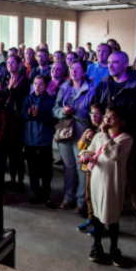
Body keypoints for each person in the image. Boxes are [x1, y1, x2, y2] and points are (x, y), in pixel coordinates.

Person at [92, 51, 136, 240]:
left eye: (115, 62)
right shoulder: (104, 84)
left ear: (125, 64)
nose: (111, 65)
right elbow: (97, 108)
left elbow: (133, 116)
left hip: (127, 139)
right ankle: (103, 220)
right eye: (109, 62)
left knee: (132, 179)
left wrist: (114, 123)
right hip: (105, 137)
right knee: (106, 180)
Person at [78, 105, 133, 267]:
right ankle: (97, 245)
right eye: (105, 117)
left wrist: (104, 135)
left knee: (112, 214)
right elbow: (91, 150)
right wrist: (84, 156)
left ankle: (114, 248)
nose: (106, 120)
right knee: (96, 213)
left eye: (112, 117)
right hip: (97, 178)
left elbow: (114, 154)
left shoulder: (126, 139)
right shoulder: (99, 135)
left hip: (112, 181)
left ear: (121, 122)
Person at [53, 60, 95, 213]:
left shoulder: (91, 90)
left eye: (77, 69)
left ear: (84, 72)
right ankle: (68, 197)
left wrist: (77, 111)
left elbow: (94, 114)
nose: (73, 71)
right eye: (71, 68)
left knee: (81, 167)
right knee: (68, 166)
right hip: (65, 131)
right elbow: (54, 109)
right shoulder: (64, 88)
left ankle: (81, 200)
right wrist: (63, 112)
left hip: (81, 132)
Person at [22, 76, 57, 207]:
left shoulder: (50, 101)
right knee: (32, 168)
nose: (37, 86)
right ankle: (34, 191)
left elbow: (52, 120)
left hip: (44, 140)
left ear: (46, 86)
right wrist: (30, 114)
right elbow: (23, 116)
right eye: (35, 83)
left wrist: (39, 115)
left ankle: (46, 193)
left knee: (46, 169)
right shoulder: (28, 99)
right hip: (30, 139)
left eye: (41, 84)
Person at [76, 103, 105, 235]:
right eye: (91, 114)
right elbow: (80, 147)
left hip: (101, 169)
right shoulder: (89, 129)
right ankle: (90, 218)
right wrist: (84, 138)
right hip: (88, 167)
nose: (93, 116)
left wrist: (94, 140)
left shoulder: (104, 131)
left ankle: (101, 223)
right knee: (88, 195)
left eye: (97, 114)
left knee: (99, 197)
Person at [4, 54, 30, 192]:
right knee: (10, 151)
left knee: (18, 152)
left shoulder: (24, 81)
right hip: (7, 119)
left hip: (18, 120)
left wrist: (12, 91)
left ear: (20, 64)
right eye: (8, 62)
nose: (10, 64)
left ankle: (20, 180)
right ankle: (12, 179)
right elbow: (3, 97)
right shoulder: (6, 79)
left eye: (13, 62)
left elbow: (23, 99)